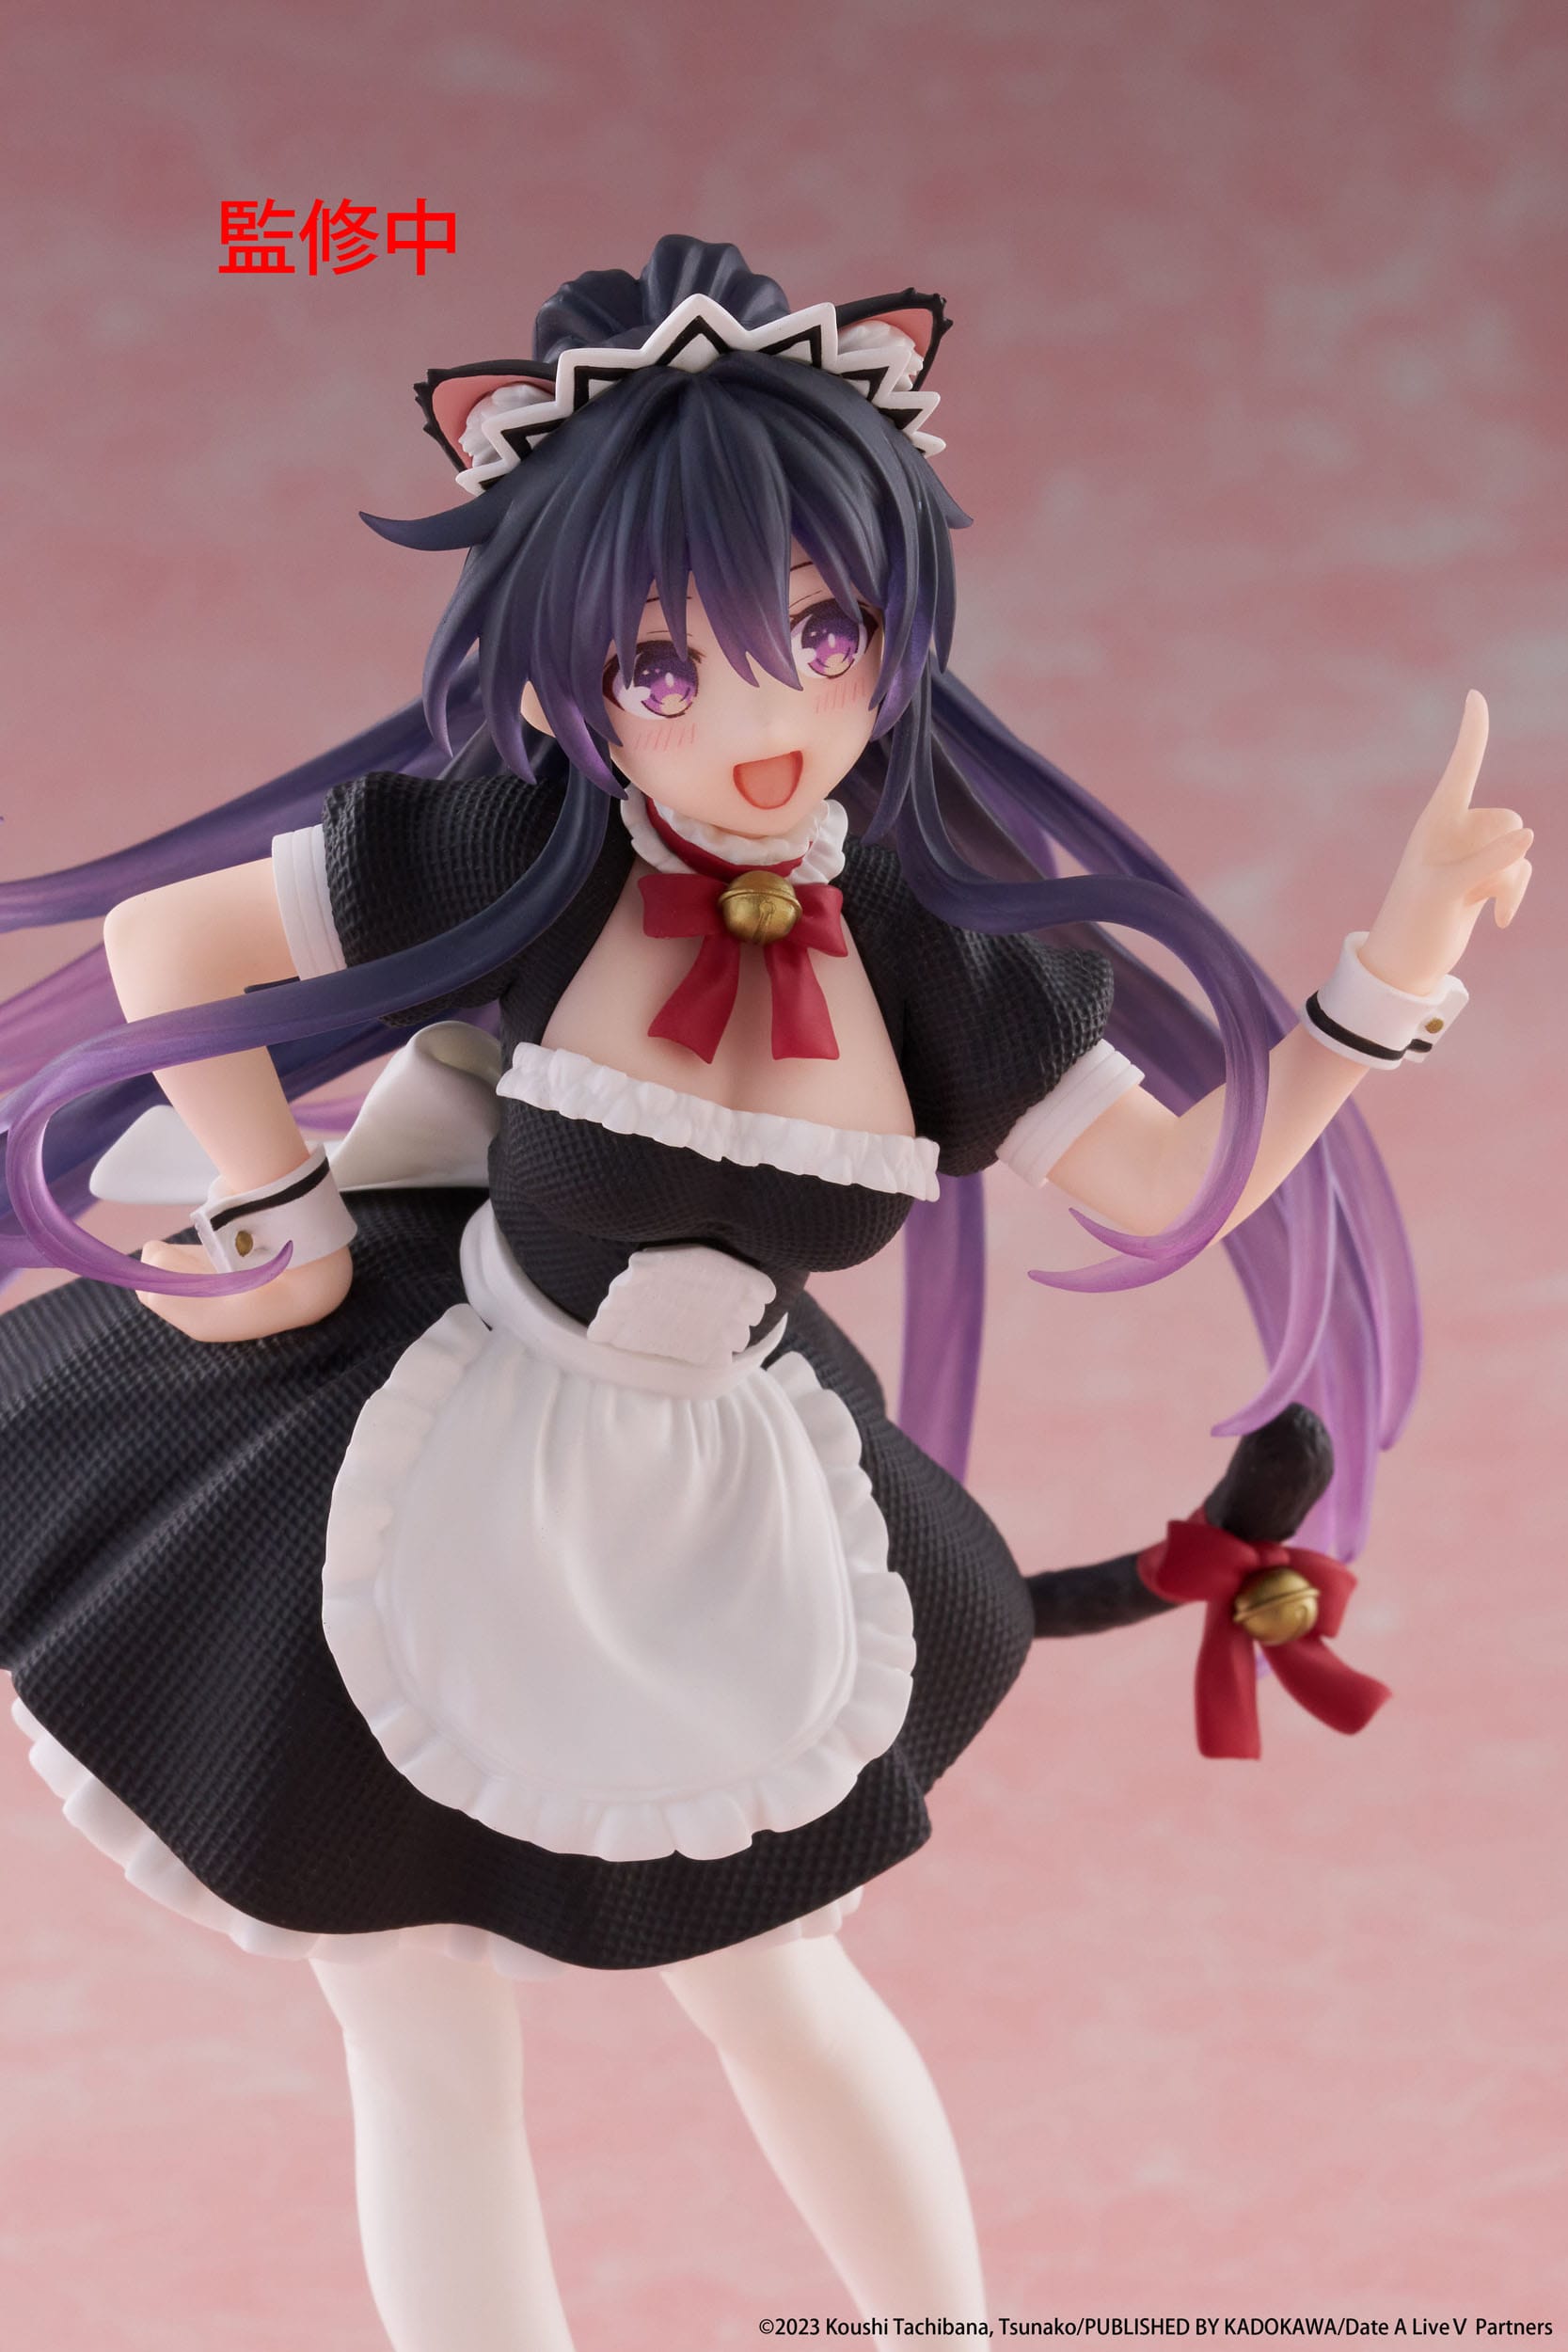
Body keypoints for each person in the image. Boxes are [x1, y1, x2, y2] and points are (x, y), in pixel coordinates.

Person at [0, 236, 1531, 2347]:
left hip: (714, 1497)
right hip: (433, 1453)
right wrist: (277, 1218)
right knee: (417, 2018)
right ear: (572, 668)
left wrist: (1389, 978)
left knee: (782, 1983)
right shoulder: (518, 851)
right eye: (664, 667)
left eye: (824, 634)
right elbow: (170, 946)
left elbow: (1175, 1181)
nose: (761, 720)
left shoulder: (935, 952)